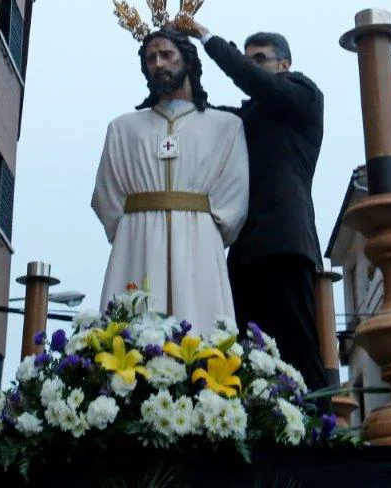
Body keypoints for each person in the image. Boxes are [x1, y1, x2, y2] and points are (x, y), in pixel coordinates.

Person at [193, 25, 328, 392]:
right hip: (244, 252)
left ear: (284, 64)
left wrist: (209, 40)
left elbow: (255, 82)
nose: (252, 66)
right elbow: (209, 118)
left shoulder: (303, 94)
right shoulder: (248, 117)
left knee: (297, 353)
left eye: (260, 59)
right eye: (248, 58)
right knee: (244, 359)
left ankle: (321, 436)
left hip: (285, 244)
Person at [92, 27, 249, 332]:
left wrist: (204, 230)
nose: (159, 63)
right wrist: (131, 231)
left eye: (166, 54)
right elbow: (107, 194)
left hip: (199, 240)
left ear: (187, 60)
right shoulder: (123, 129)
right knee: (132, 325)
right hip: (136, 241)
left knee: (202, 328)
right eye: (151, 58)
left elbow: (234, 194)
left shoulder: (226, 127)